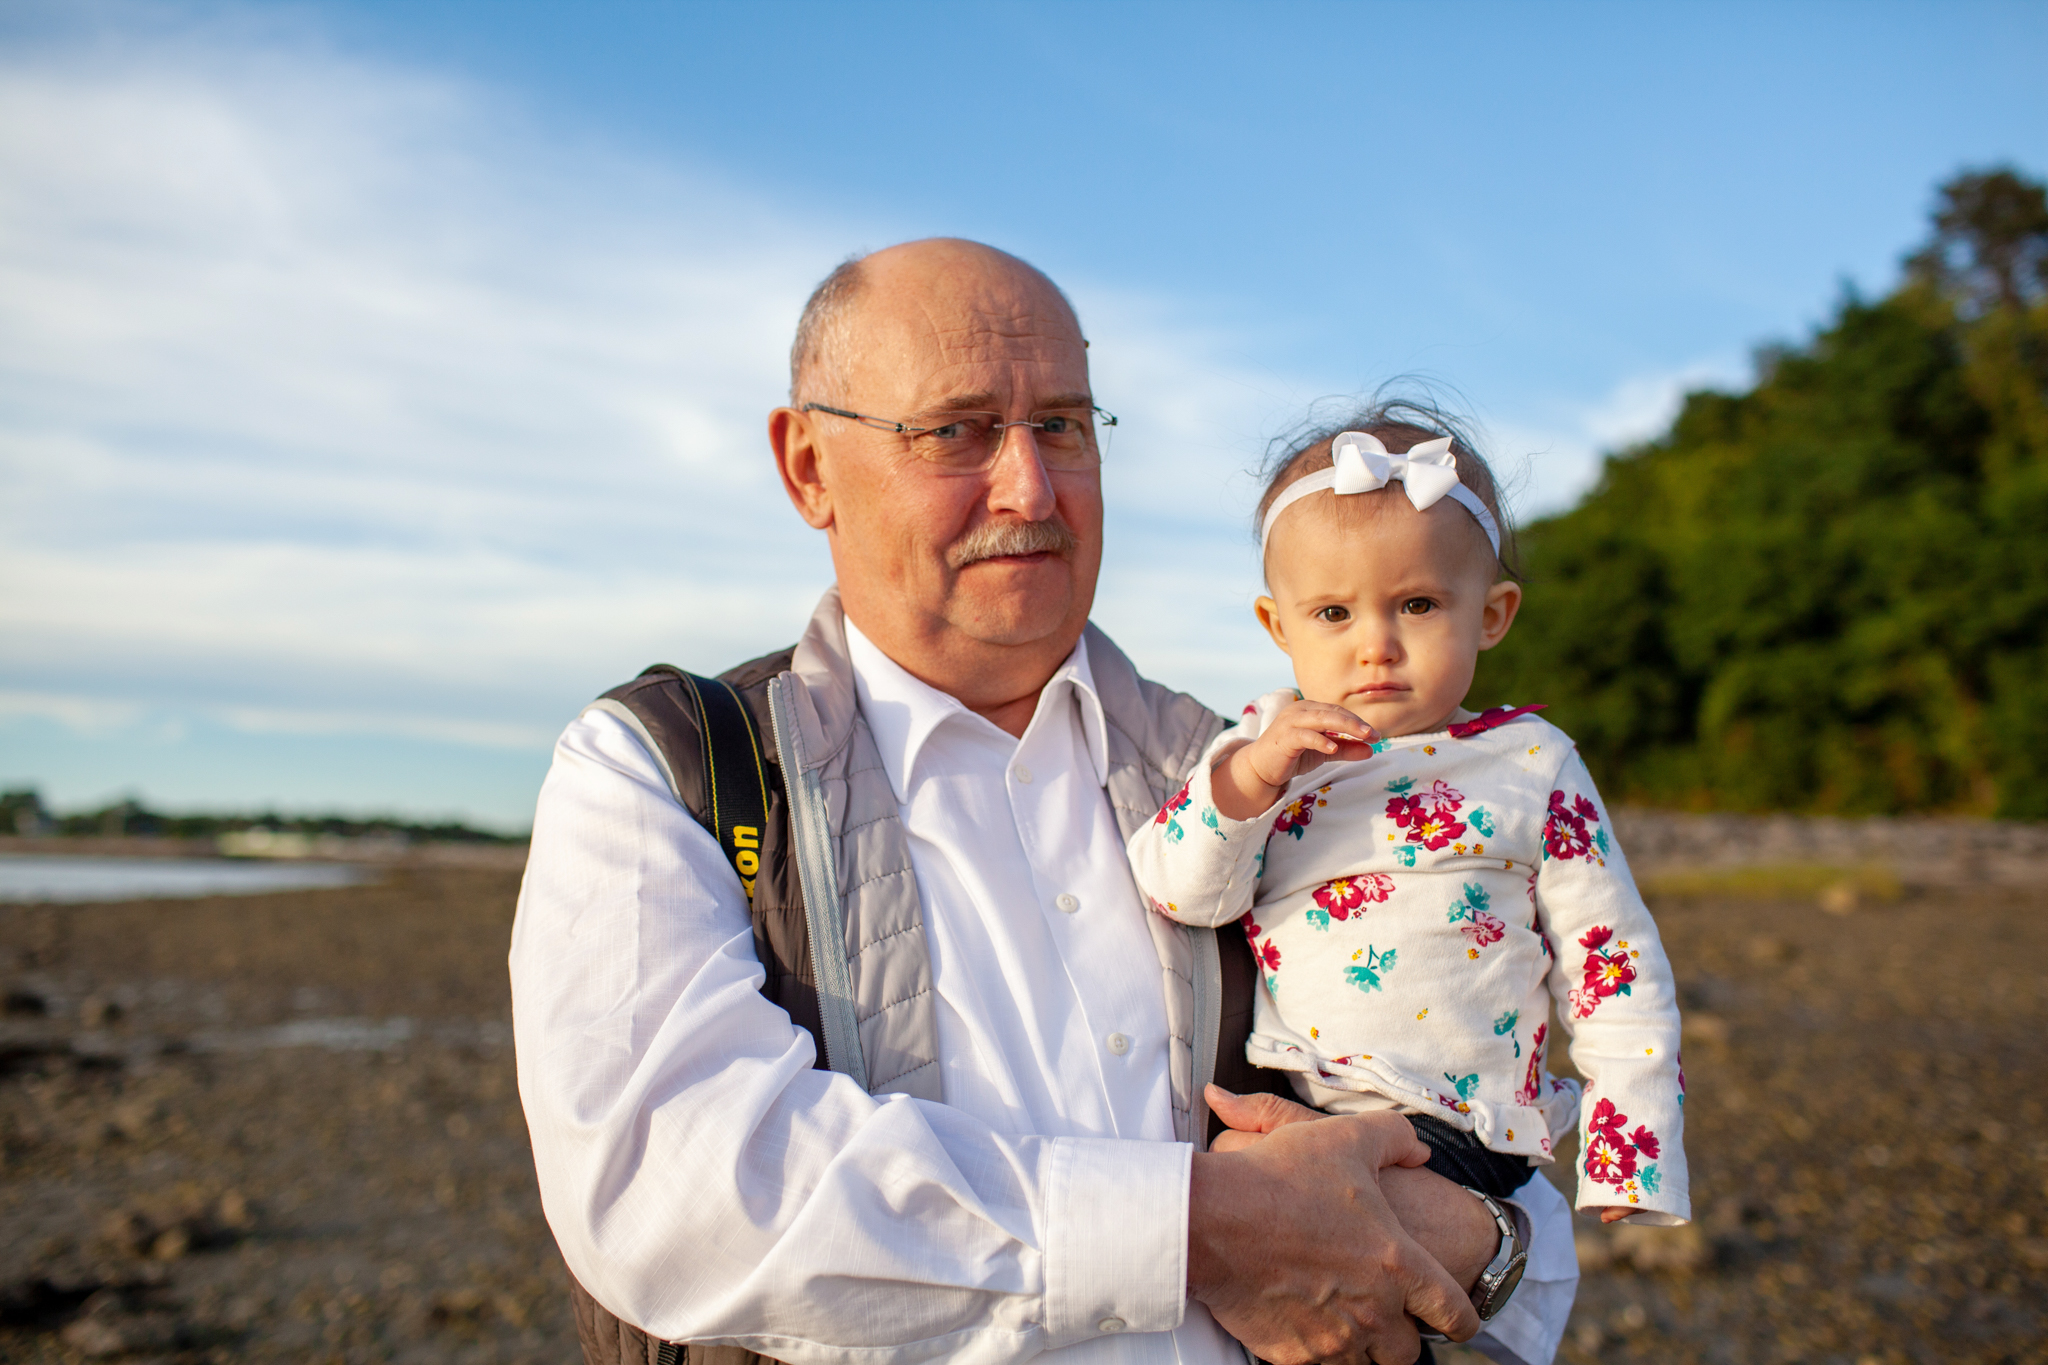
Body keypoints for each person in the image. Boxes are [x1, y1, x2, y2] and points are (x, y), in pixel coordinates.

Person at [510, 239, 1580, 1365]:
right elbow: (675, 1191)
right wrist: (1209, 1230)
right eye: (957, 429)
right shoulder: (665, 768)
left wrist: (1482, 1243)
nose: (1028, 485)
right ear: (808, 466)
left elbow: (1461, 1105)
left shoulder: (1244, 778)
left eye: (1062, 426)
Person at [1128, 412, 1690, 1358]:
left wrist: (1632, 1144)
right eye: (1334, 614)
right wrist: (1250, 783)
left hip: (1462, 1114)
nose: (1376, 645)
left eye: (1419, 605)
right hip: (1296, 1089)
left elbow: (1613, 958)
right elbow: (1182, 889)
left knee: (1358, 1271)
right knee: (1282, 1295)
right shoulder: (1269, 747)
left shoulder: (1530, 763)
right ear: (1279, 624)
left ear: (1493, 613)